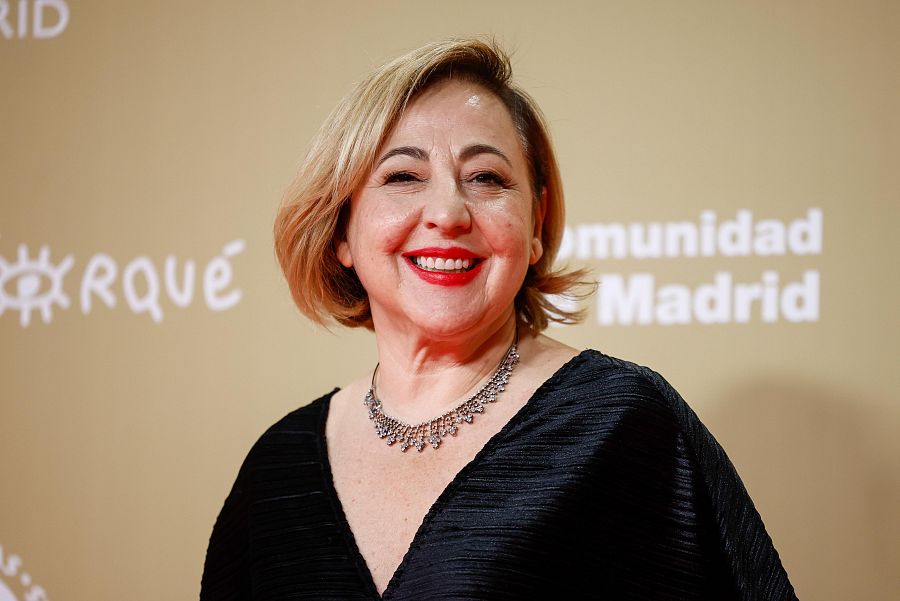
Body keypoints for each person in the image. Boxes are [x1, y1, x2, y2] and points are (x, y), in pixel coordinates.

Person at [201, 38, 797, 600]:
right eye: (402, 177)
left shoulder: (622, 423)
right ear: (342, 232)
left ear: (535, 224)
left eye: (486, 178)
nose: (447, 212)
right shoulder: (276, 471)